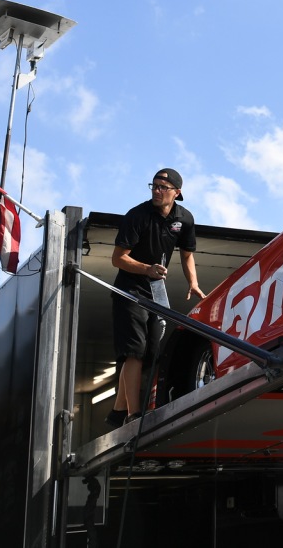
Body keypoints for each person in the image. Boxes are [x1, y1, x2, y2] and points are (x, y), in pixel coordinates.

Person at [107, 168, 205, 428]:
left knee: (151, 353)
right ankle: (133, 414)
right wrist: (146, 269)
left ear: (177, 192)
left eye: (163, 187)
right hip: (129, 290)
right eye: (154, 185)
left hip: (156, 291)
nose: (157, 190)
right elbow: (118, 259)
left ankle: (117, 410)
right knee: (134, 352)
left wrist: (193, 283)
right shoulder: (137, 216)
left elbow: (187, 254)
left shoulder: (184, 218)